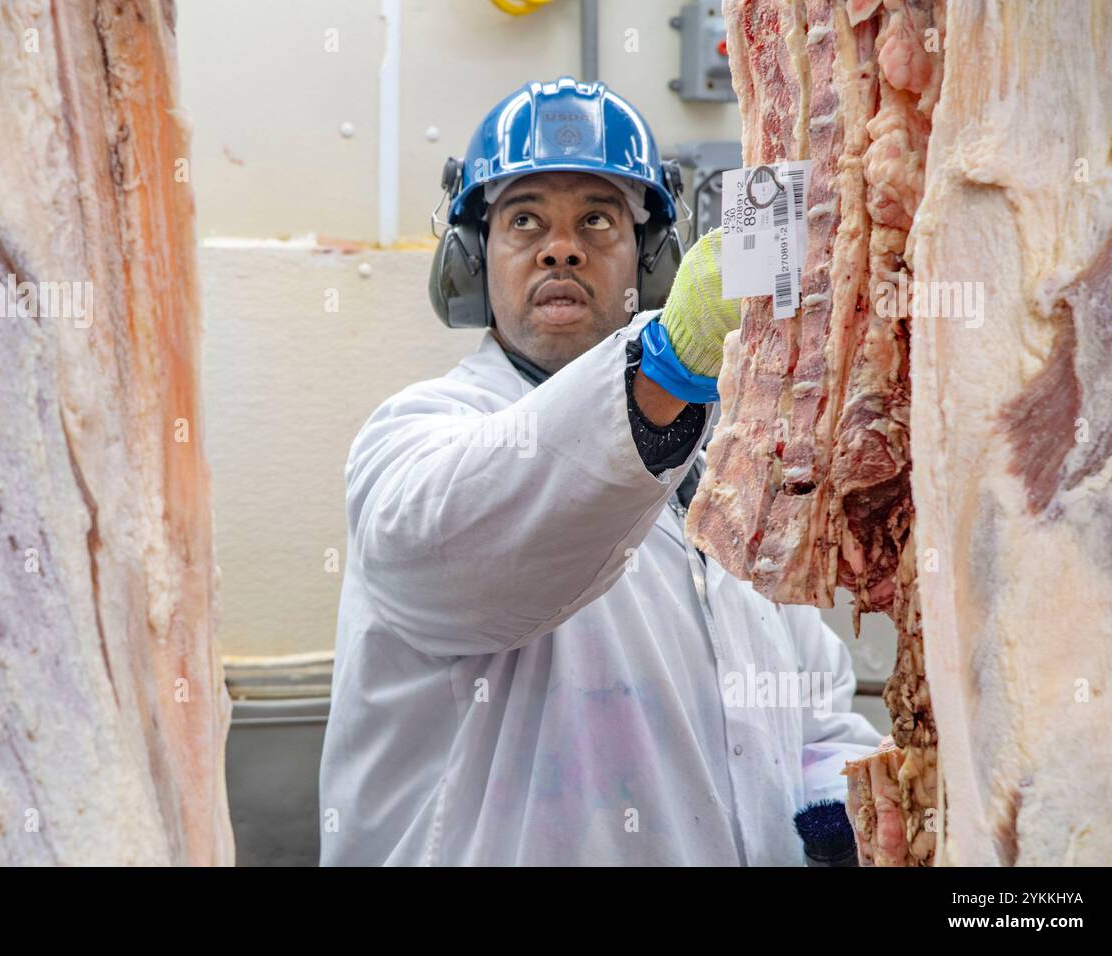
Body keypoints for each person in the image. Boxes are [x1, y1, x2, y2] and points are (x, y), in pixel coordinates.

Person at [318, 76, 881, 866]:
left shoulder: (732, 467)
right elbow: (468, 546)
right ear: (473, 258)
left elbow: (811, 699)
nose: (561, 246)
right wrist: (667, 365)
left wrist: (833, 804)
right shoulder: (414, 436)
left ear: (651, 259)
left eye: (597, 219)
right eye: (524, 221)